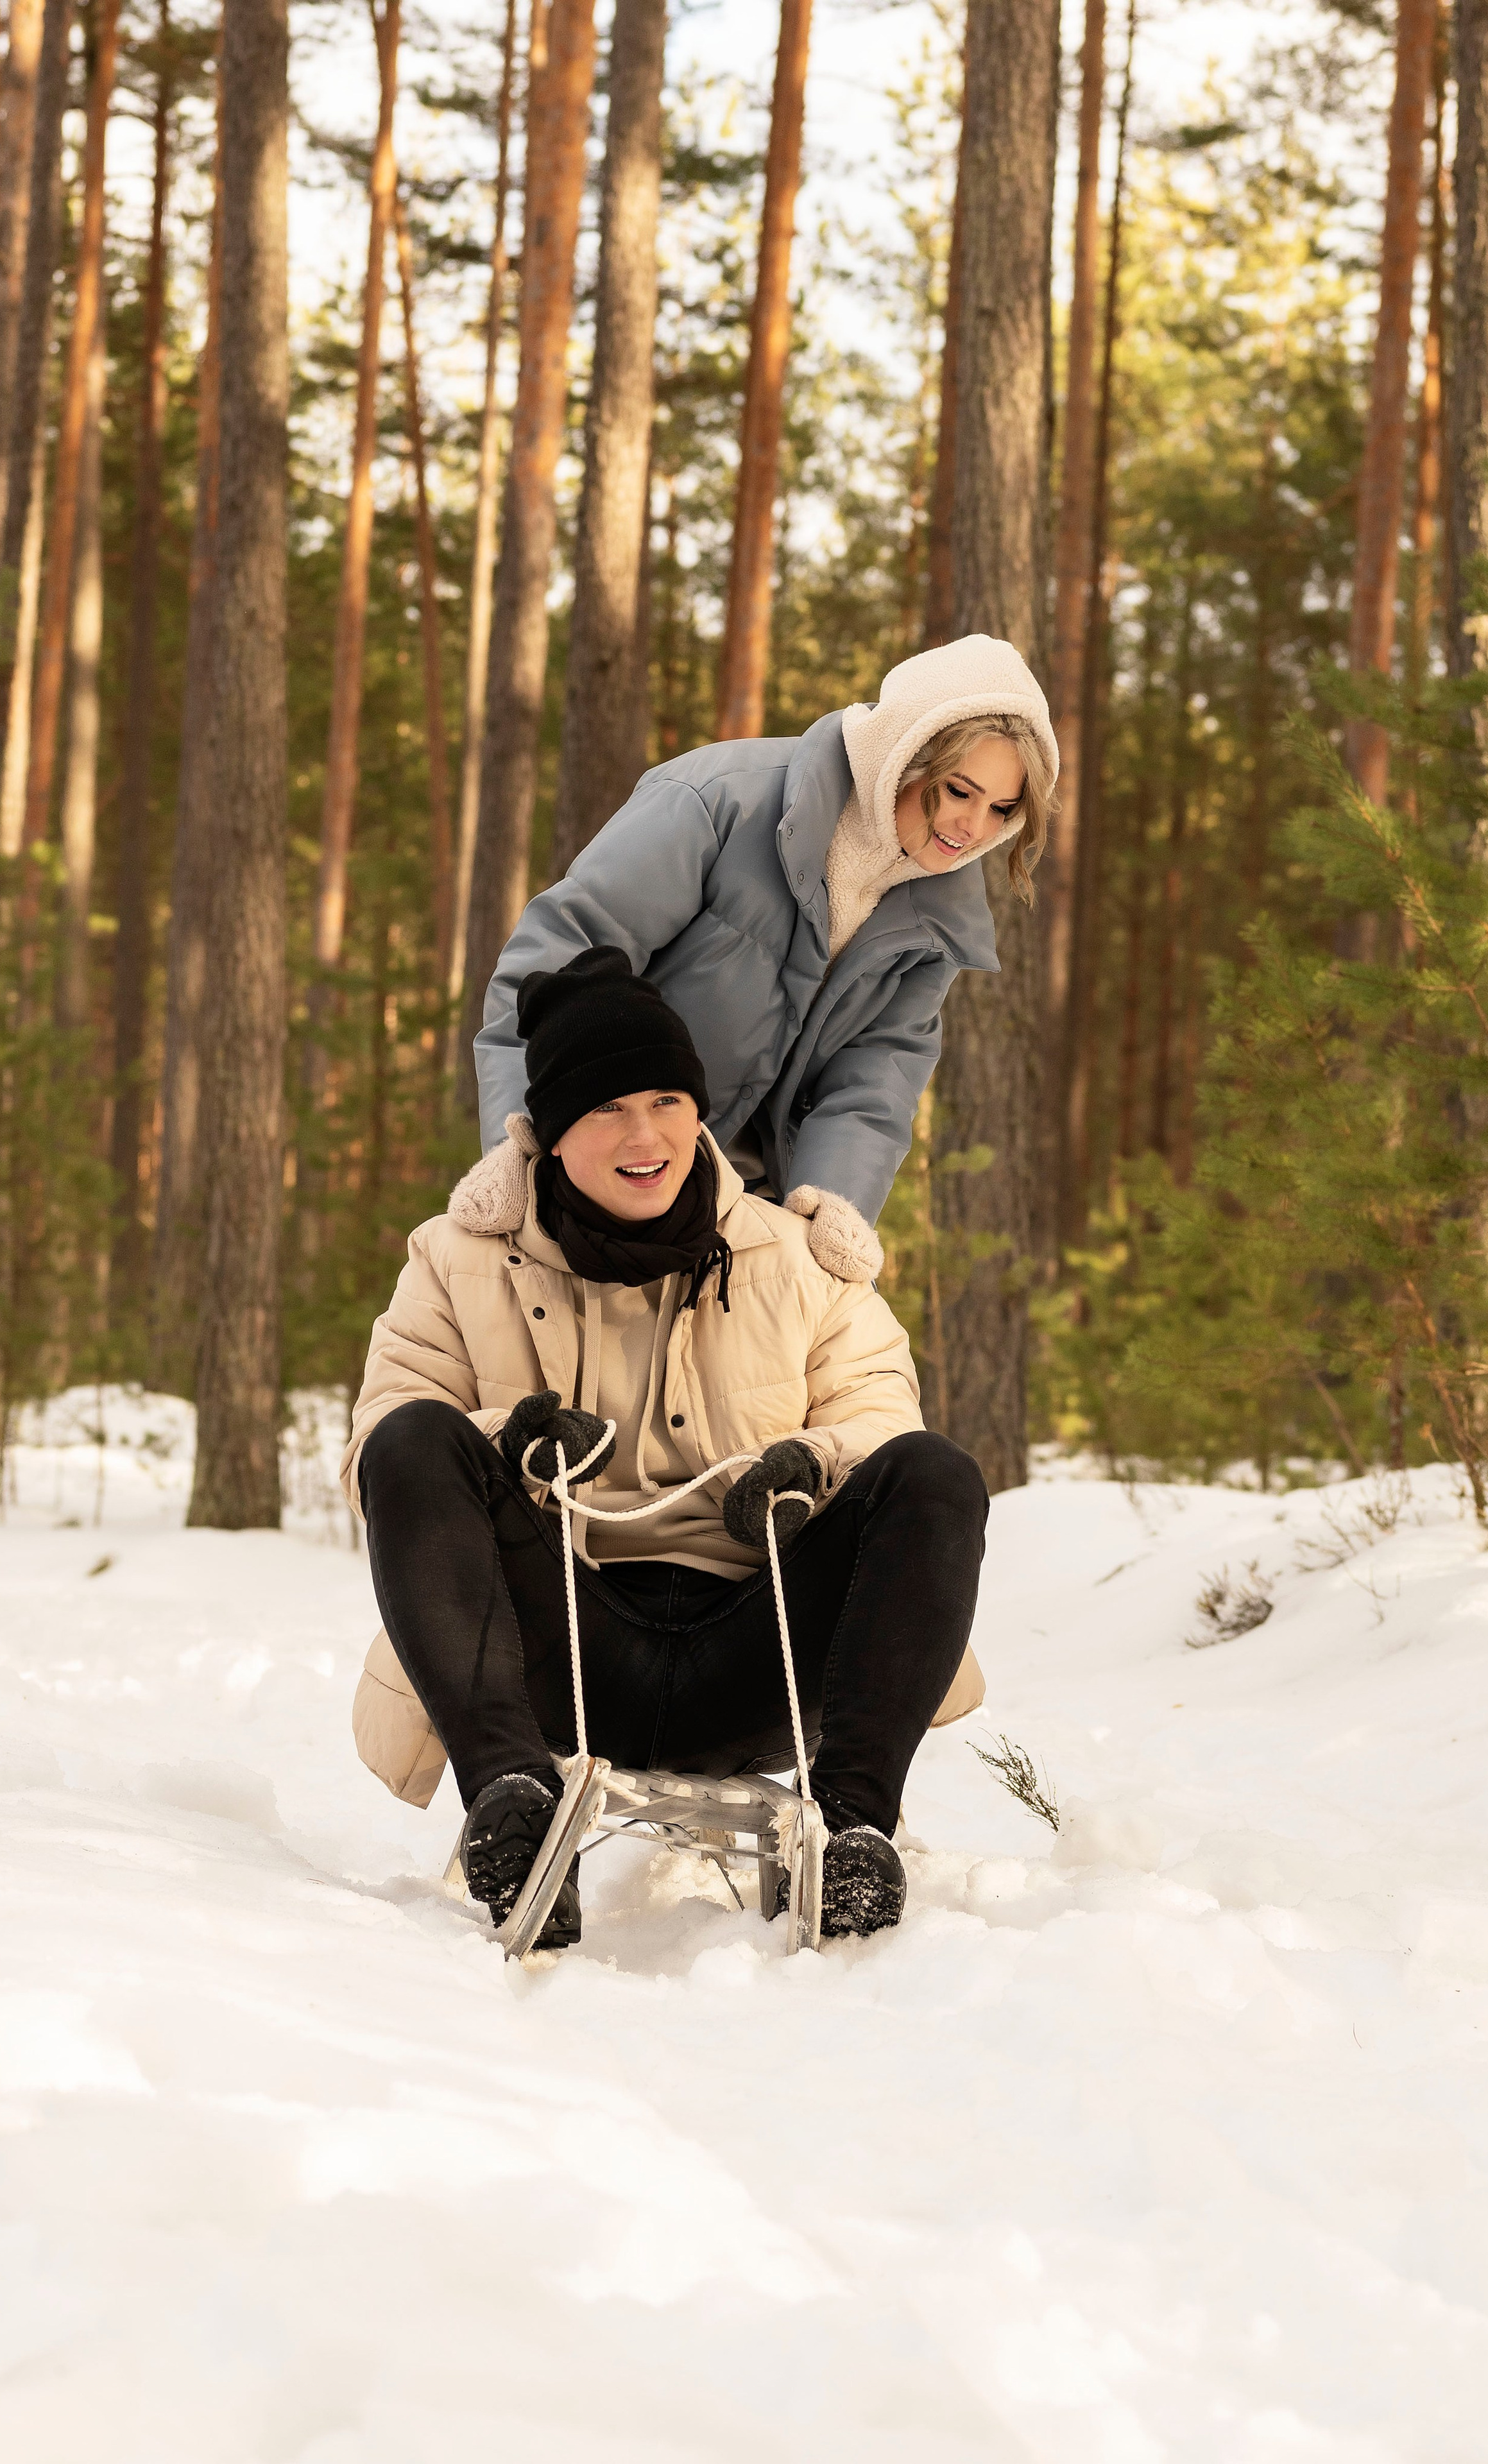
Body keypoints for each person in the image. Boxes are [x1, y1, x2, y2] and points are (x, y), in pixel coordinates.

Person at [344, 951, 989, 1949]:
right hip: (559, 1646)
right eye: (605, 1109)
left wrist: (814, 1461)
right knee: (412, 1441)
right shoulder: (455, 1260)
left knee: (936, 1473)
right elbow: (380, 1453)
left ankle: (854, 1835)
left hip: (759, 1645)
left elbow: (881, 1421)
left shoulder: (805, 1263)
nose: (644, 1135)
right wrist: (503, 1442)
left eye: (665, 1099)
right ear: (549, 1136)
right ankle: (511, 1807)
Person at [472, 635, 1058, 1262]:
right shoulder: (720, 801)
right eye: (958, 791)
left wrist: (830, 1204)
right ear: (905, 753)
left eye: (1002, 809)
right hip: (606, 1171)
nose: (972, 829)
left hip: (746, 1213)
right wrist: (521, 1142)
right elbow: (556, 964)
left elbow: (873, 1081)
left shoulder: (939, 917)